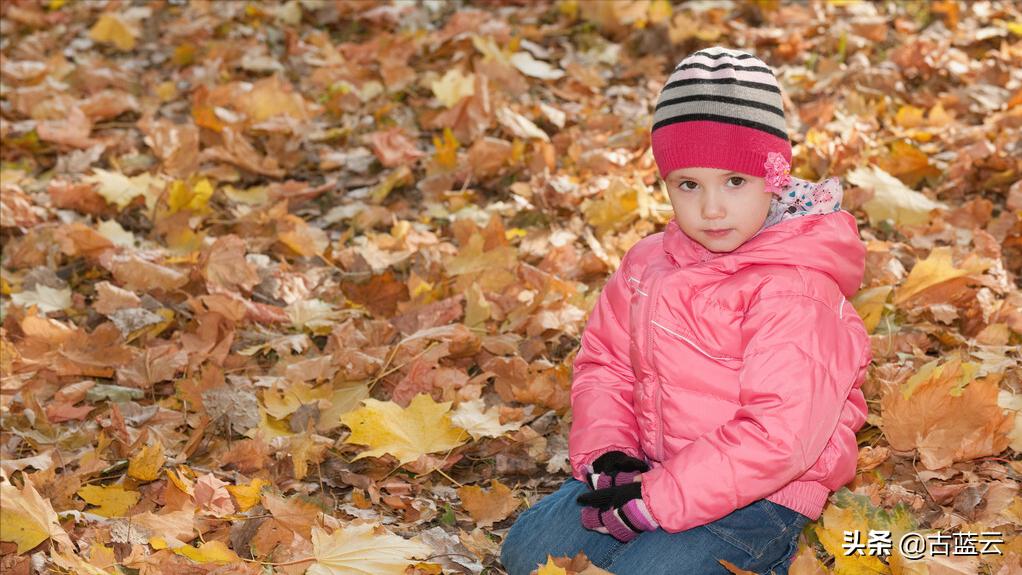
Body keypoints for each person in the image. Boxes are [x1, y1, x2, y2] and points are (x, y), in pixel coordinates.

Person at [499, 46, 872, 575]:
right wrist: (611, 456)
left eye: (735, 182)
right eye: (688, 185)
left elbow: (780, 437)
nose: (712, 208)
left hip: (762, 495)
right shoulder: (648, 264)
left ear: (775, 177)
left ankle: (771, 554)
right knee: (528, 554)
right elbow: (605, 364)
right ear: (666, 184)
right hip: (655, 468)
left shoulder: (796, 289)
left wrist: (658, 501)